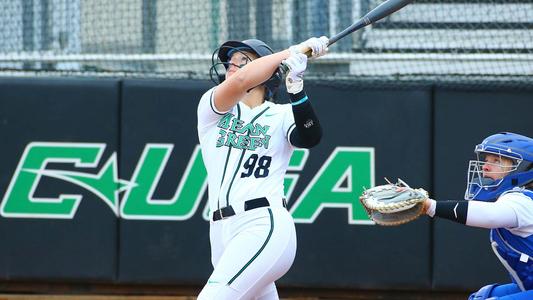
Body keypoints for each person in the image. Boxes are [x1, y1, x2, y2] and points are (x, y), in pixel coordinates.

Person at [196, 36, 329, 300]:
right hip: (221, 232)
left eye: (243, 61)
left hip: (262, 223)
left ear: (268, 74)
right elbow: (241, 81)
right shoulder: (213, 109)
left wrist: (297, 89)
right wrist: (291, 51)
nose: (232, 66)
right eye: (230, 62)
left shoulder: (280, 115)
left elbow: (311, 137)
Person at [422, 132, 533, 299]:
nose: (485, 167)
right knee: (481, 297)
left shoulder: (522, 201)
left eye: (497, 161)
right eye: (487, 160)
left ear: (523, 168)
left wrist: (429, 206)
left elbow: (491, 216)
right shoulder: (517, 198)